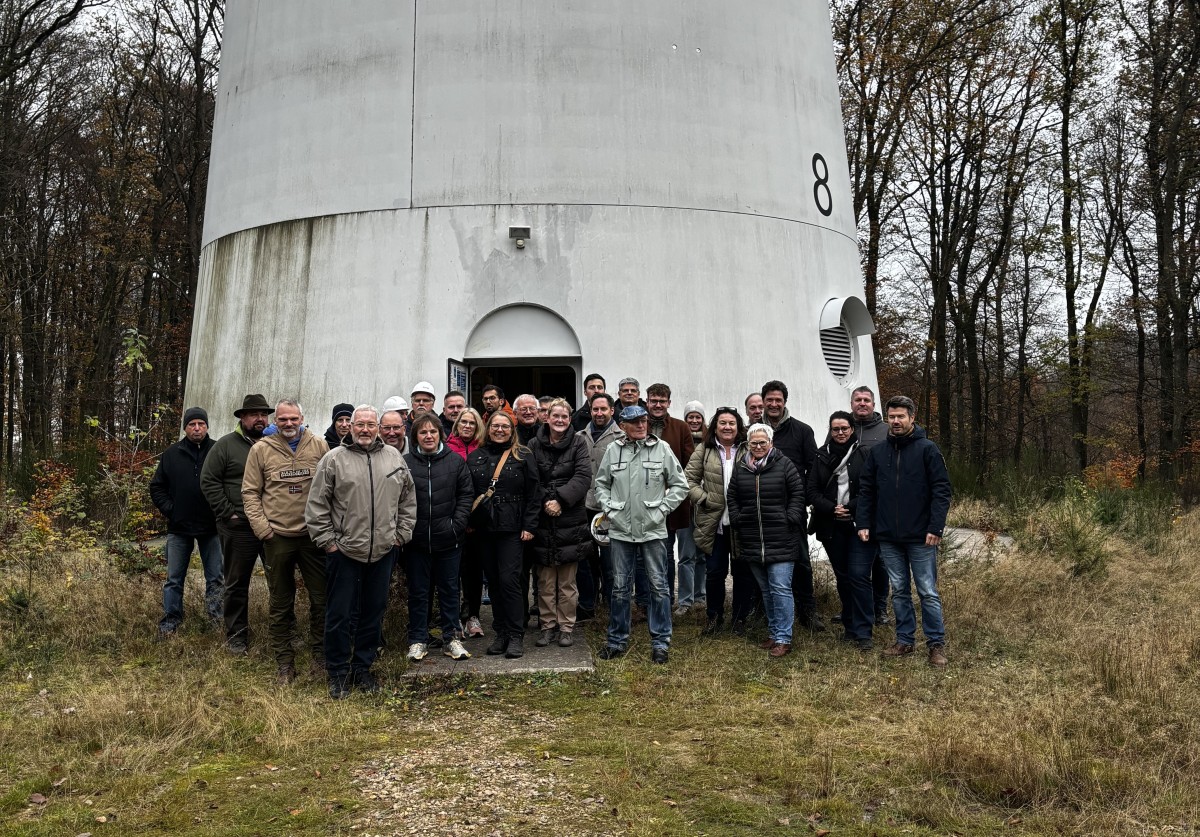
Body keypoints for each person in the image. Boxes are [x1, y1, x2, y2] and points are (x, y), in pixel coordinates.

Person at [306, 405, 417, 698]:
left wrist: (400, 536)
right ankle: (338, 673)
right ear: (350, 427)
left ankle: (362, 669)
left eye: (371, 424)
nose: (365, 429)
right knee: (340, 614)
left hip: (382, 551)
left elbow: (407, 498)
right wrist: (329, 542)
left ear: (378, 427)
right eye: (360, 424)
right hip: (344, 551)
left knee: (372, 613)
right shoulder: (333, 460)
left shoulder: (393, 458)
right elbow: (317, 506)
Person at [856, 395, 953, 667]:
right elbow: (867, 491)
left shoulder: (928, 450)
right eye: (892, 416)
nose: (896, 421)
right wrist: (864, 523)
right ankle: (904, 641)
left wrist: (936, 527)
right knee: (898, 590)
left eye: (901, 416)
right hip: (888, 536)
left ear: (912, 417)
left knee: (927, 591)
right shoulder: (878, 453)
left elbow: (942, 491)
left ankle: (935, 644)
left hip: (922, 536)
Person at [241, 398, 329, 684]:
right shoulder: (261, 450)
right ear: (274, 421)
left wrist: (326, 527)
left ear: (302, 418)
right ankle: (284, 663)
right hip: (277, 538)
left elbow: (331, 488)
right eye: (283, 420)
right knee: (280, 602)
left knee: (322, 599)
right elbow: (250, 493)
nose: (289, 424)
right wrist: (263, 529)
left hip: (312, 537)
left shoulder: (318, 446)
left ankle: (321, 656)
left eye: (294, 419)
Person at [593, 405, 688, 664]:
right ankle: (616, 641)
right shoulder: (614, 450)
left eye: (644, 421)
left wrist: (662, 510)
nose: (641, 425)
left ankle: (660, 643)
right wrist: (609, 508)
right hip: (621, 531)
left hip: (653, 530)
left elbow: (681, 486)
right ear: (623, 425)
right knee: (620, 588)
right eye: (634, 422)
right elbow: (601, 484)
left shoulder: (662, 449)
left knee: (659, 587)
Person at [200, 393, 271, 654]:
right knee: (237, 582)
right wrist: (228, 512)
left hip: (271, 525)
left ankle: (284, 633)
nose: (260, 419)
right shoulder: (226, 446)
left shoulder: (274, 444)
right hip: (239, 526)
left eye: (264, 414)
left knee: (279, 580)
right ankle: (237, 636)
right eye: (254, 415)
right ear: (242, 418)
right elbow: (208, 480)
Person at [465, 411, 540, 658]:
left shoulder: (523, 454)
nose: (499, 430)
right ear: (488, 429)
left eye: (504, 426)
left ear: (512, 429)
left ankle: (516, 634)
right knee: (494, 583)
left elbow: (533, 494)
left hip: (513, 529)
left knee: (510, 581)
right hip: (485, 529)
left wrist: (529, 526)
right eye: (495, 426)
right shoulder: (476, 456)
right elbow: (468, 493)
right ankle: (501, 633)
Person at [400, 413, 473, 662]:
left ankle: (451, 638)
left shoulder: (454, 462)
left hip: (448, 539)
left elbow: (466, 495)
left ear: (441, 434)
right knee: (419, 592)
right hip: (416, 541)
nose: (428, 436)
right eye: (423, 432)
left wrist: (457, 524)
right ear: (415, 436)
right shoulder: (406, 462)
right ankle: (418, 640)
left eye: (433, 432)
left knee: (450, 590)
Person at [727, 423, 805, 657]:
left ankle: (784, 637)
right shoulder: (742, 468)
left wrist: (789, 517)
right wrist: (737, 518)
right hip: (752, 538)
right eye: (754, 443)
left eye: (763, 442)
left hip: (781, 537)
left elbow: (797, 494)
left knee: (780, 588)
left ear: (771, 443)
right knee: (766, 589)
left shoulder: (784, 464)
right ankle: (773, 633)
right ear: (748, 445)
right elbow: (732, 496)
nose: (758, 446)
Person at [150, 406, 222, 637]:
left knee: (216, 578)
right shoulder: (172, 454)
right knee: (173, 579)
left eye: (201, 424)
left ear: (207, 426)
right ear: (185, 428)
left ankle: (216, 620)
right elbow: (157, 487)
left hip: (212, 528)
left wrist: (221, 511)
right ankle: (171, 621)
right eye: (192, 424)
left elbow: (230, 483)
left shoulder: (218, 450)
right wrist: (172, 510)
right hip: (179, 528)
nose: (197, 428)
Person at [529, 398, 593, 648]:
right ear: (547, 417)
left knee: (567, 582)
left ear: (569, 419)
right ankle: (547, 626)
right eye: (555, 416)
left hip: (570, 519)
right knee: (545, 581)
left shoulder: (578, 442)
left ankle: (566, 626)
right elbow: (532, 477)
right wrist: (547, 501)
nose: (559, 420)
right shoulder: (534, 444)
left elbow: (583, 476)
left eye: (564, 417)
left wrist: (561, 501)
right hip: (543, 519)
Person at [685, 407, 755, 635]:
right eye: (722, 423)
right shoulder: (704, 449)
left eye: (731, 423)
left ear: (739, 427)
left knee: (742, 573)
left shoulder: (748, 449)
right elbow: (688, 480)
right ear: (715, 426)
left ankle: (740, 620)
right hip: (713, 523)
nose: (727, 427)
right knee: (715, 573)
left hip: (742, 522)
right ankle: (714, 618)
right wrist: (703, 499)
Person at [808, 411, 874, 650]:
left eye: (844, 428)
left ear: (852, 428)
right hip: (831, 524)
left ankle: (865, 631)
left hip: (858, 525)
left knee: (858, 576)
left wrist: (850, 508)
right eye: (835, 429)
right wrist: (831, 508)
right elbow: (811, 490)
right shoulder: (820, 455)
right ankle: (850, 627)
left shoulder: (864, 454)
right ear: (830, 430)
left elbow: (870, 488)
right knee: (843, 578)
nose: (840, 433)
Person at [761, 380, 821, 631]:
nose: (774, 404)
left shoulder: (802, 431)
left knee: (801, 562)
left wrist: (801, 502)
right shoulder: (754, 430)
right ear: (763, 401)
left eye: (778, 400)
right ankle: (764, 612)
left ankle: (807, 612)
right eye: (769, 400)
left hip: (791, 509)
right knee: (761, 561)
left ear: (785, 402)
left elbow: (814, 468)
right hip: (761, 508)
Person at [642, 383, 695, 613]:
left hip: (673, 502)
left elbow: (689, 463)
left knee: (668, 551)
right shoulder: (638, 425)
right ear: (647, 401)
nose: (657, 405)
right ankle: (651, 600)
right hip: (643, 501)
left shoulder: (680, 427)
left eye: (662, 401)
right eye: (654, 400)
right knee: (652, 552)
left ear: (669, 403)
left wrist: (671, 487)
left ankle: (668, 600)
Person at [849, 385, 891, 626]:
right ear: (852, 403)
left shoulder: (886, 430)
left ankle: (880, 608)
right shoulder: (844, 427)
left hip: (879, 506)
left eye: (866, 400)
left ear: (873, 405)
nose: (862, 404)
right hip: (849, 505)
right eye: (857, 400)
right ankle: (854, 606)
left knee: (881, 561)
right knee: (853, 562)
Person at [577, 392, 622, 612]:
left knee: (611, 563)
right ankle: (587, 605)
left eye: (603, 409)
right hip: (584, 506)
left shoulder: (621, 437)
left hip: (610, 509)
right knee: (585, 561)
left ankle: (612, 607)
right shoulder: (579, 436)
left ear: (612, 411)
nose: (599, 413)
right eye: (595, 409)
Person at [674, 401, 707, 615]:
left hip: (705, 505)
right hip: (684, 504)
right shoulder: (679, 440)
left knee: (703, 553)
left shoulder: (710, 441)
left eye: (698, 417)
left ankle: (700, 596)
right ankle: (685, 600)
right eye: (690, 417)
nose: (694, 421)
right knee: (686, 554)